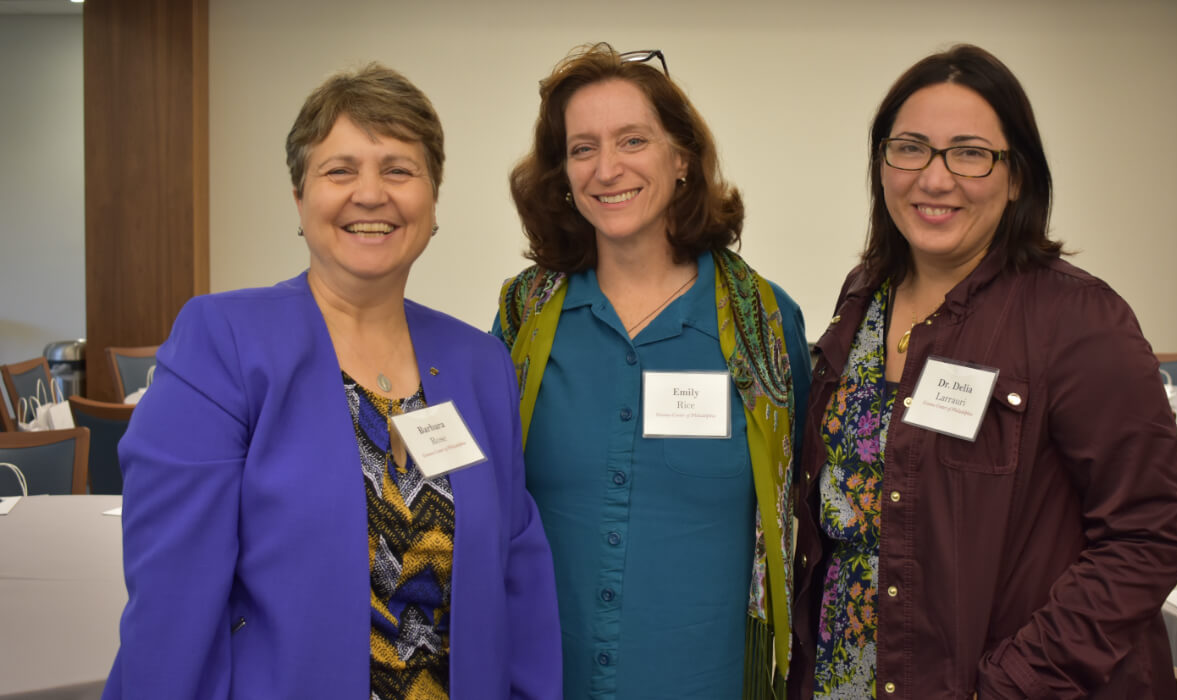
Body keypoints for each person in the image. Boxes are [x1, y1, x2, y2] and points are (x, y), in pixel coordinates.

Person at [104, 64, 562, 699]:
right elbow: (172, 597)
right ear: (300, 200)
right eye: (339, 170)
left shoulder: (479, 363)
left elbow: (520, 575)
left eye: (399, 170)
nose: (370, 194)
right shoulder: (224, 342)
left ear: (432, 201)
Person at [787, 44, 1177, 699]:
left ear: (1018, 176)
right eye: (911, 147)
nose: (935, 178)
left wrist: (1015, 684)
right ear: (882, 163)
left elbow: (1148, 535)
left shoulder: (1079, 319)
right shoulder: (863, 297)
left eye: (970, 153)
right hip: (848, 672)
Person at [495, 44, 812, 700]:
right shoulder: (523, 317)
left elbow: (805, 500)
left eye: (632, 140)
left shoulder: (766, 325)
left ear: (683, 157)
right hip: (546, 683)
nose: (606, 169)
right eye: (582, 148)